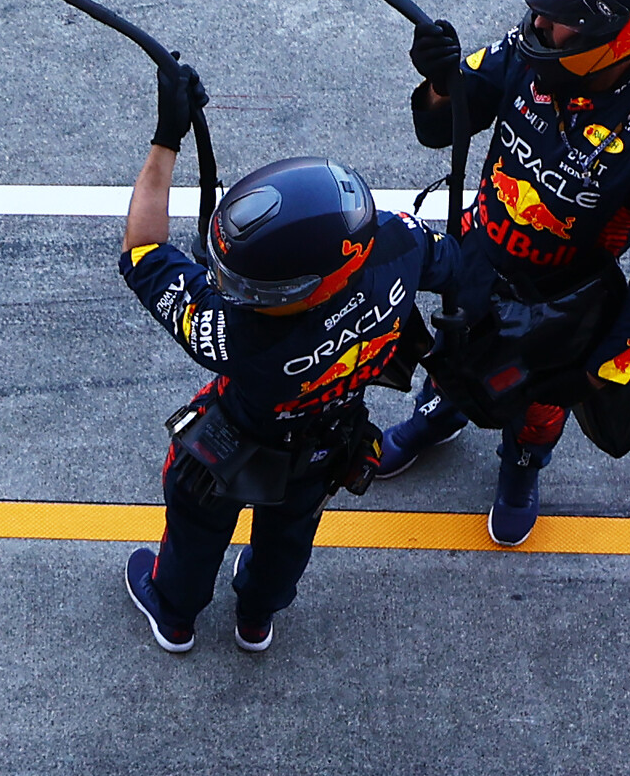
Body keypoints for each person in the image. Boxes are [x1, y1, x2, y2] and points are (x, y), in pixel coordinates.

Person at [374, 0, 630, 545]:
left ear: (618, 35)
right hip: (478, 252)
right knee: (451, 355)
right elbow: (438, 127)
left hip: (559, 306)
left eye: (562, 15)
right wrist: (441, 81)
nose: (538, 20)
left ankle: (523, 464)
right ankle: (439, 414)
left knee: (538, 404)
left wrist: (609, 365)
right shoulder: (530, 49)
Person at [118, 59, 432, 653]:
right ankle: (257, 617)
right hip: (326, 444)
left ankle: (175, 615)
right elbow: (461, 267)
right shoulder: (402, 243)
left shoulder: (238, 335)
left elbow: (143, 250)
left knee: (197, 521)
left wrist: (166, 138)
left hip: (234, 447)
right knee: (290, 535)